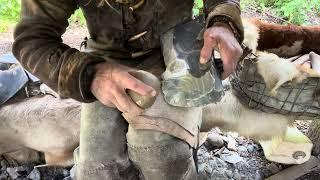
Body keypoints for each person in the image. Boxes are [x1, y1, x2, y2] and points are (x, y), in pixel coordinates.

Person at [13, 0, 243, 179]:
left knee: (161, 155)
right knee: (98, 169)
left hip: (178, 49)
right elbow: (32, 40)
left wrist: (223, 21)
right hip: (105, 59)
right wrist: (89, 74)